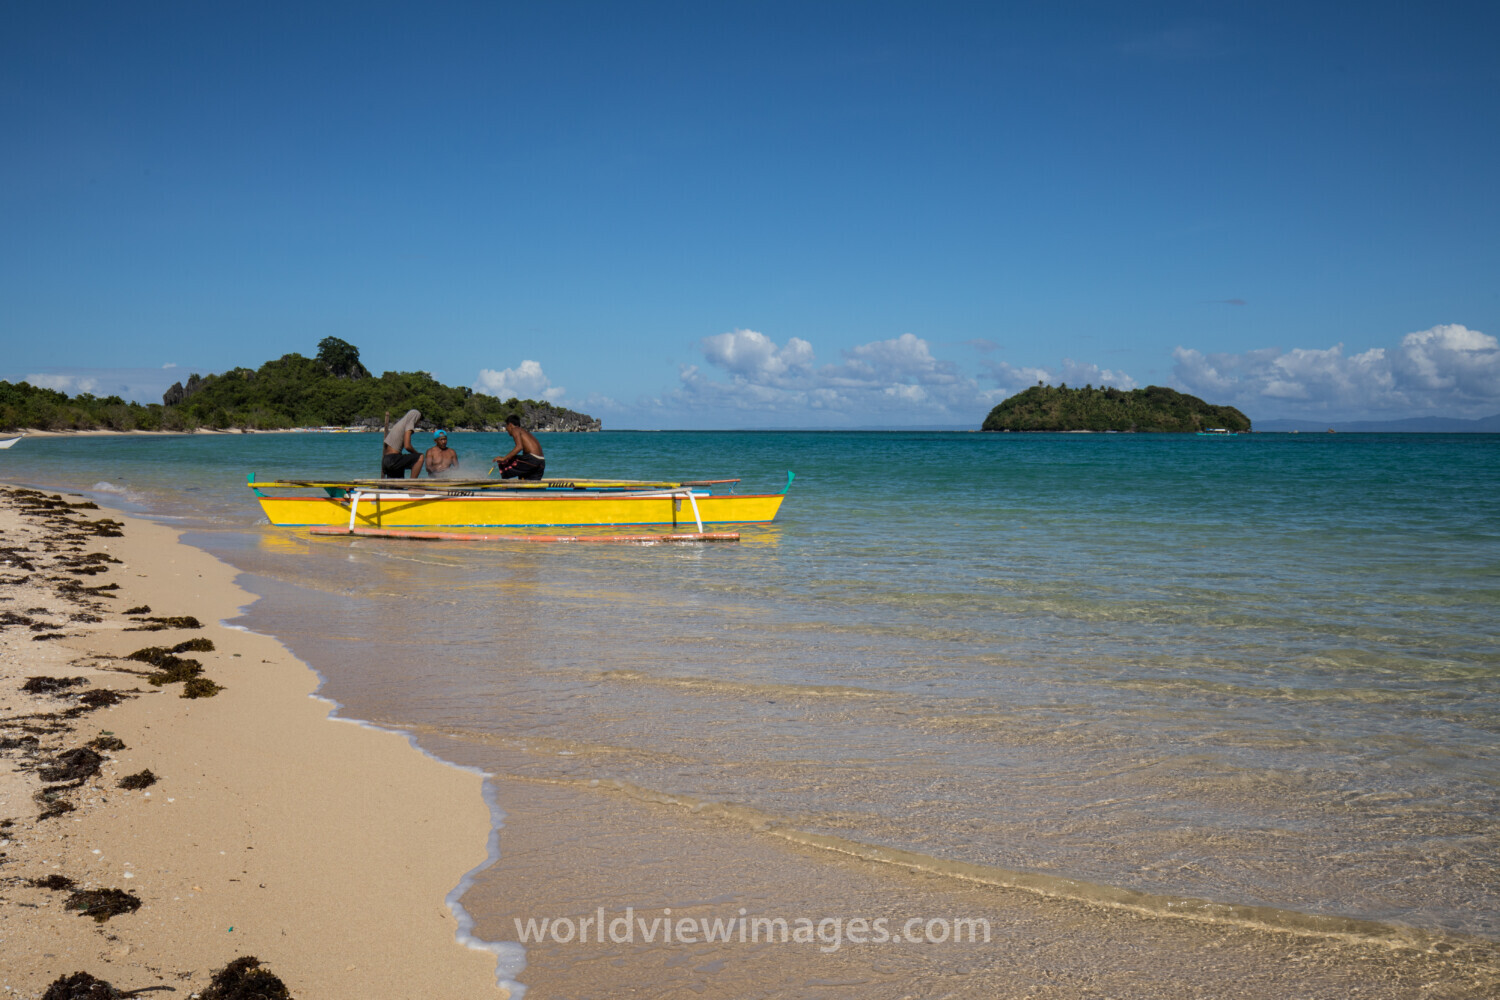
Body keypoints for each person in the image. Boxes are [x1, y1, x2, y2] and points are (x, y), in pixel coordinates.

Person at [493, 414, 545, 480]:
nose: (506, 429)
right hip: (541, 462)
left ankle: (504, 487)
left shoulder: (515, 429)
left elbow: (519, 447)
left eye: (506, 426)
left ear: (510, 425)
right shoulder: (524, 432)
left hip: (532, 460)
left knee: (505, 462)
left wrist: (504, 458)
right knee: (526, 481)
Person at [381, 409, 426, 478]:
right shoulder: (409, 424)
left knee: (397, 487)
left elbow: (385, 445)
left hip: (385, 461)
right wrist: (417, 454)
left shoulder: (399, 425)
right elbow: (407, 446)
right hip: (393, 460)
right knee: (420, 457)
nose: (418, 423)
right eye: (418, 421)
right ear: (415, 418)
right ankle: (412, 486)